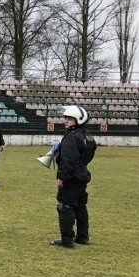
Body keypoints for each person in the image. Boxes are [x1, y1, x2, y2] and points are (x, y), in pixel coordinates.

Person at [52, 106, 95, 248]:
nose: (65, 121)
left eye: (69, 119)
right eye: (65, 118)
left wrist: (61, 177)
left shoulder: (72, 136)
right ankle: (83, 236)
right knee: (80, 206)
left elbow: (68, 161)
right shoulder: (86, 135)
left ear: (78, 120)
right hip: (82, 174)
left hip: (71, 177)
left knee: (65, 206)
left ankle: (67, 239)